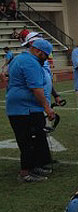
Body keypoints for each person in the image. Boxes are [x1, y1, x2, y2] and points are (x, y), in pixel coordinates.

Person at [5, 39, 55, 182]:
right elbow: (36, 89)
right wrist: (47, 107)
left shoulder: (19, 58)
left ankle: (34, 166)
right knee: (28, 140)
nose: (46, 58)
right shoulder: (31, 63)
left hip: (19, 106)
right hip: (25, 108)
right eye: (45, 55)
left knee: (33, 138)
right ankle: (25, 172)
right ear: (39, 51)